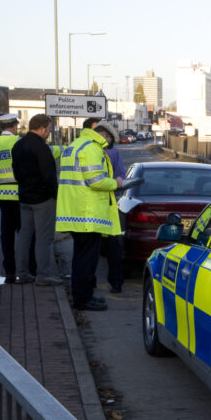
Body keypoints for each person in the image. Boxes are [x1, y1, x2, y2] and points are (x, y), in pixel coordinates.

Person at [56, 123, 122, 311]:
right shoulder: (91, 148)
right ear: (102, 134)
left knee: (80, 258)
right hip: (88, 215)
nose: (109, 144)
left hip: (75, 211)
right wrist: (116, 183)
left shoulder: (74, 146)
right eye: (109, 139)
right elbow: (96, 180)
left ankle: (82, 297)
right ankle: (83, 300)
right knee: (87, 260)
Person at [0, 113, 35, 283]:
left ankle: (9, 271)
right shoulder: (19, 142)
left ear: (0, 127)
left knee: (6, 234)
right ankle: (28, 269)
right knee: (26, 234)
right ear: (14, 126)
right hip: (21, 193)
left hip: (3, 194)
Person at [11, 114, 62, 285]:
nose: (49, 133)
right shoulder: (42, 148)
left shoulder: (18, 146)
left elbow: (17, 173)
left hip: (24, 197)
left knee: (24, 235)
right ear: (42, 128)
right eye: (48, 129)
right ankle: (43, 275)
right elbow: (49, 175)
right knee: (44, 238)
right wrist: (55, 194)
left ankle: (21, 273)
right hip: (42, 199)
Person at [95, 121, 124, 293]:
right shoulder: (111, 151)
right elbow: (120, 176)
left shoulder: (82, 150)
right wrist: (116, 183)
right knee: (112, 248)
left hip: (94, 209)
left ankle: (91, 282)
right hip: (105, 206)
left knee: (94, 248)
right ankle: (115, 283)